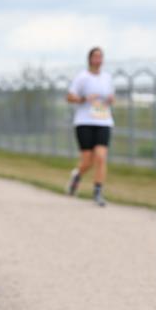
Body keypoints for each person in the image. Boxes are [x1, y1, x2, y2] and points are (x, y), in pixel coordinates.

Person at [65, 47, 115, 207]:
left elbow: (112, 97)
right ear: (90, 59)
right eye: (95, 57)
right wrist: (84, 98)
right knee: (87, 161)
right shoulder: (82, 77)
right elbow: (70, 96)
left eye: (101, 57)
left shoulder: (107, 78)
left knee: (101, 156)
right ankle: (77, 176)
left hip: (103, 121)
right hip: (85, 121)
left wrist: (110, 100)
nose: (98, 60)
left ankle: (98, 191)